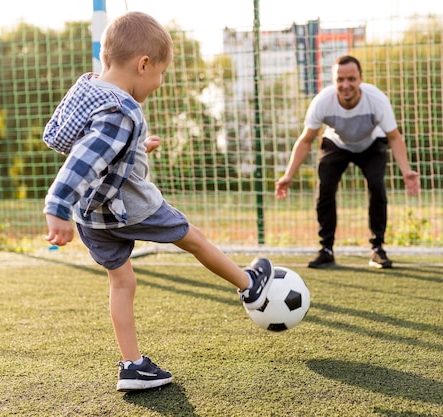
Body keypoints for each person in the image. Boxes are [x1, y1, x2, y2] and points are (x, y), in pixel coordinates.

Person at [42, 11, 274, 392]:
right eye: (160, 73)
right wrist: (56, 206)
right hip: (129, 205)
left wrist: (132, 147)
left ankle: (132, 366)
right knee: (193, 238)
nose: (160, 82)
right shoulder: (120, 110)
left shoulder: (86, 89)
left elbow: (66, 137)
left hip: (93, 217)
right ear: (143, 64)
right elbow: (83, 159)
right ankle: (250, 285)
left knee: (121, 282)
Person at [275, 55, 420, 269]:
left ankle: (377, 248)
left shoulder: (377, 100)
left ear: (360, 79)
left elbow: (394, 137)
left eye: (351, 79)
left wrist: (406, 170)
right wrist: (288, 174)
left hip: (371, 143)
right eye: (340, 80)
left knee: (377, 186)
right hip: (337, 143)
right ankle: (326, 249)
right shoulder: (322, 102)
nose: (345, 85)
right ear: (334, 81)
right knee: (325, 188)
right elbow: (306, 140)